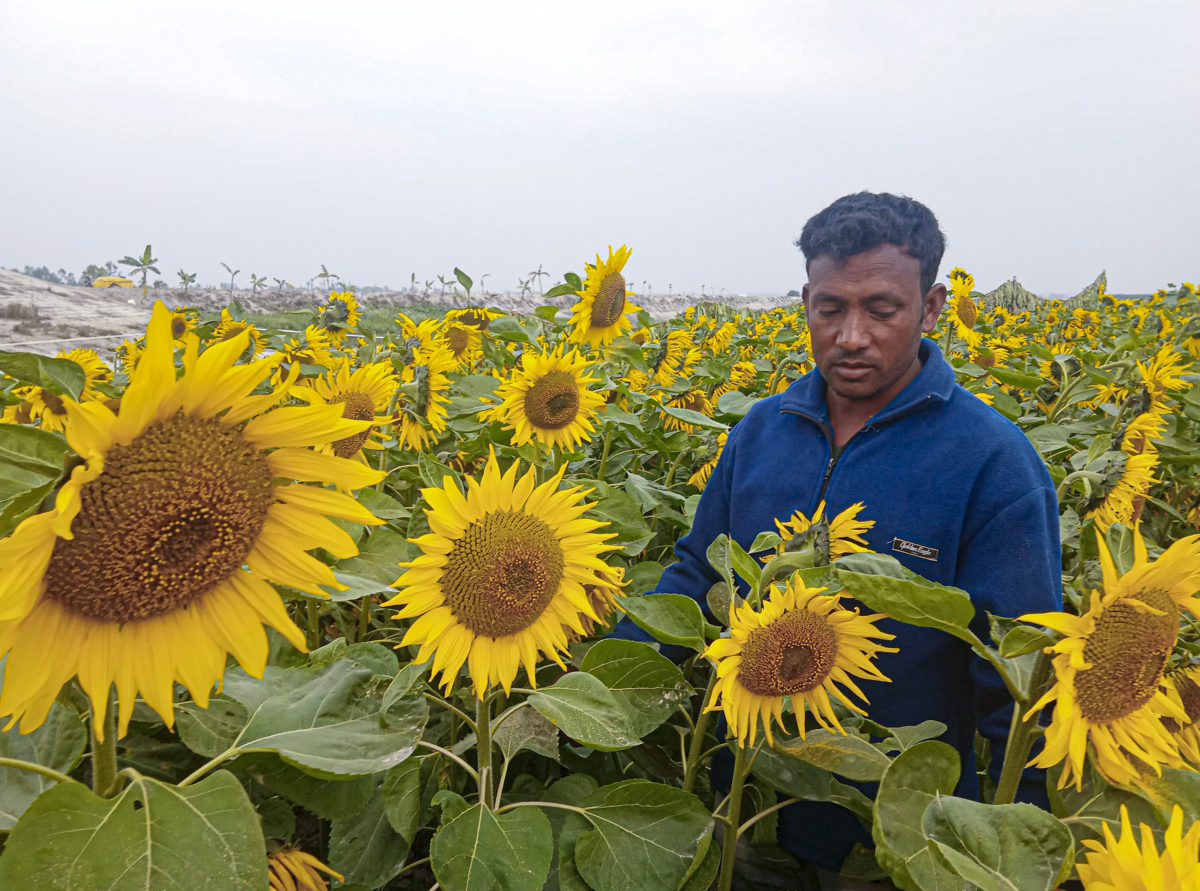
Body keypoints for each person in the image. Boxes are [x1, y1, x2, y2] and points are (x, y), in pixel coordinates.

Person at [616, 191, 1062, 884]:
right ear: (806, 302)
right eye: (830, 309)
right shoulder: (760, 432)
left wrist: (1017, 855)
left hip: (892, 841)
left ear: (932, 306)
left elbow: (1021, 676)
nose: (852, 335)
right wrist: (605, 677)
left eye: (881, 309)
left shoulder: (992, 462)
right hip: (743, 812)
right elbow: (695, 575)